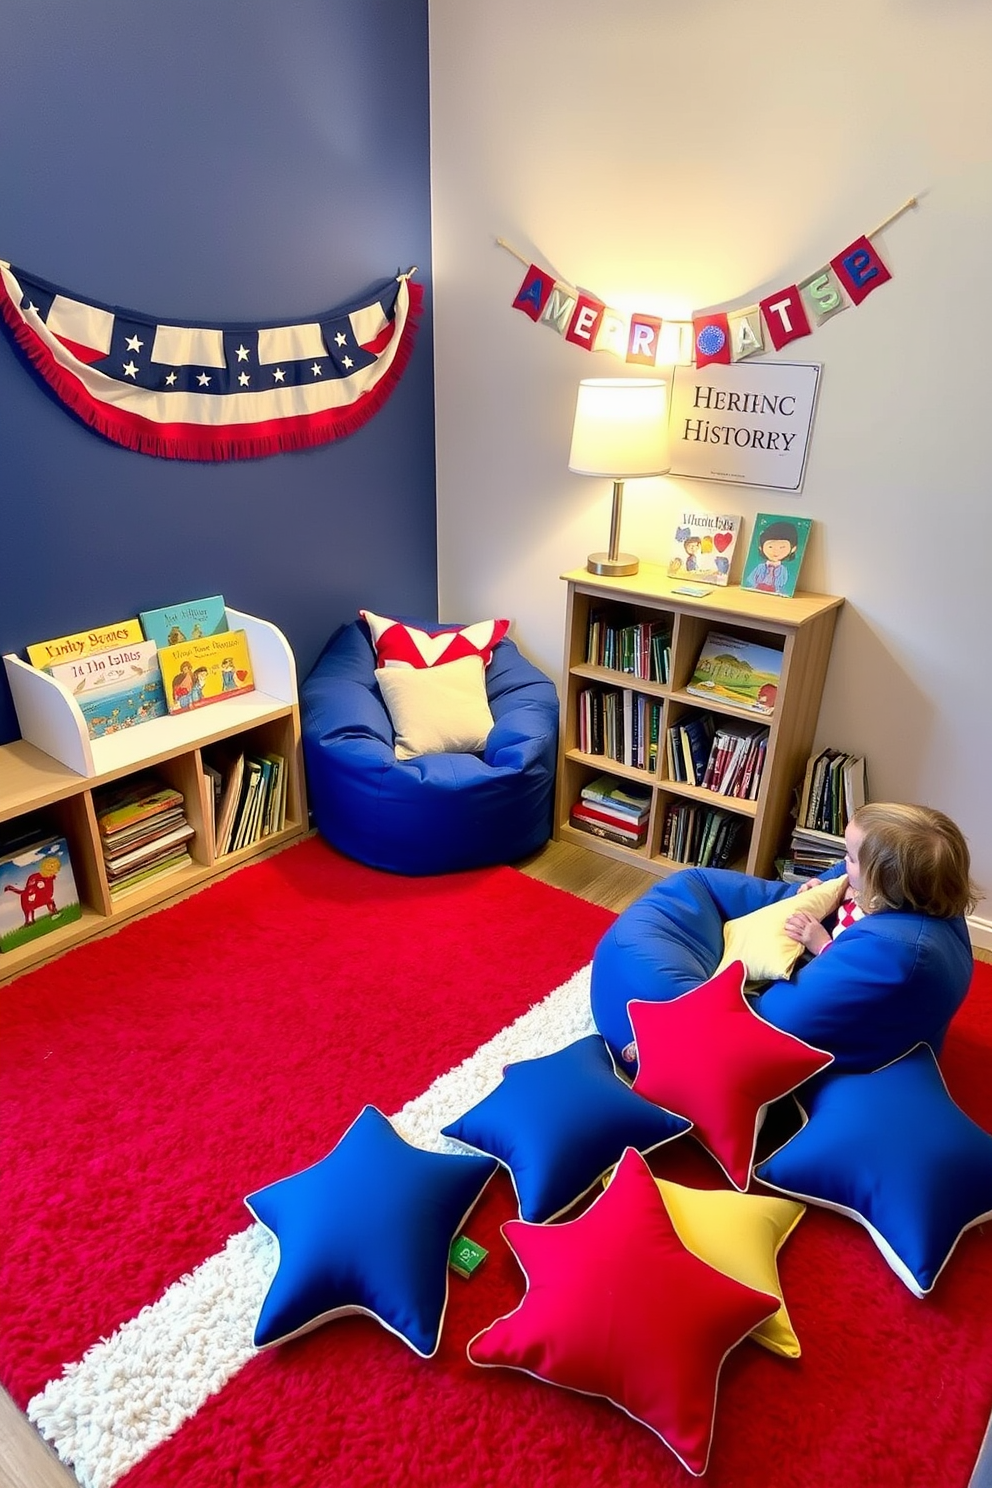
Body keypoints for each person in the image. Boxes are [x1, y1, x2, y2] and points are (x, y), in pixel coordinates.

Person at [783, 802, 980, 957]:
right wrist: (821, 891)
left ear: (880, 882)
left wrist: (820, 943)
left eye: (851, 858)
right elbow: (845, 895)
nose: (844, 860)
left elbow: (845, 966)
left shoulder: (877, 931)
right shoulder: (873, 893)